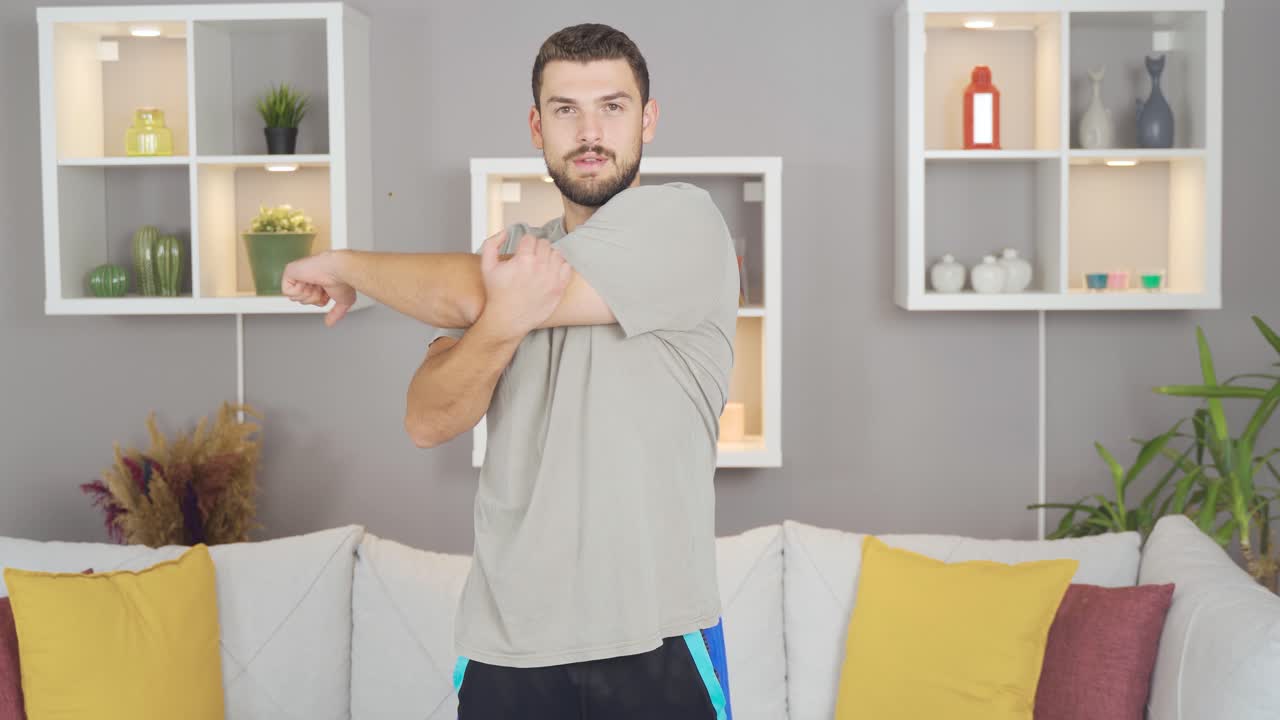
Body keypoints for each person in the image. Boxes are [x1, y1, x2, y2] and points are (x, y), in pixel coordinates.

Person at [280, 23, 738, 720]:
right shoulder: (515, 254)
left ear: (648, 118)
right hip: (506, 646)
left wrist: (346, 267)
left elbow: (470, 289)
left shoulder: (685, 223)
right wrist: (501, 321)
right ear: (536, 126)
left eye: (612, 107)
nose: (590, 131)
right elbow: (428, 420)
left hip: (660, 639)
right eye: (565, 110)